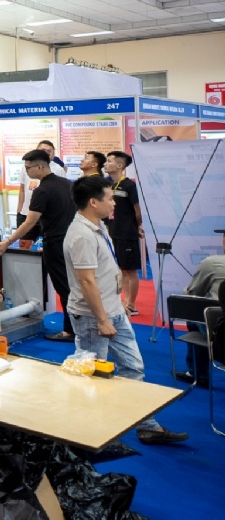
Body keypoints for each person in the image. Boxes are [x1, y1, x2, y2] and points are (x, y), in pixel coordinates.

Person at [63, 176, 187, 445]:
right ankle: (87, 431)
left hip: (111, 310)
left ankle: (144, 424)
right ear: (93, 202)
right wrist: (102, 319)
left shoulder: (98, 226)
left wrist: (117, 302)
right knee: (92, 374)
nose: (114, 203)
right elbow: (86, 281)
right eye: (109, 199)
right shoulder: (82, 235)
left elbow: (105, 273)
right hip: (92, 317)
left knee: (133, 366)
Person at [0, 150, 77, 342]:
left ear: (40, 167)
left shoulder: (42, 191)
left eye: (28, 168)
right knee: (73, 285)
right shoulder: (67, 184)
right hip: (72, 241)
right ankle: (79, 327)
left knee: (63, 287)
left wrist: (7, 242)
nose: (26, 172)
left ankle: (71, 330)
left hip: (55, 243)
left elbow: (30, 222)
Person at [177, 244, 225, 387]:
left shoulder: (212, 263)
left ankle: (198, 373)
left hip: (221, 331)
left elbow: (193, 293)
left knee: (195, 319)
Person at [105, 151, 143, 316]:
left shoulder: (129, 186)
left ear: (120, 165)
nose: (106, 164)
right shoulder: (107, 185)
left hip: (127, 233)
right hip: (111, 232)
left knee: (130, 270)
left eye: (109, 161)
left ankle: (131, 304)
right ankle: (124, 302)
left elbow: (138, 211)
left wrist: (135, 226)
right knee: (120, 269)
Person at [13, 140, 65, 240]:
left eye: (49, 151)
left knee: (45, 245)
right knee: (25, 245)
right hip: (26, 214)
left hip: (47, 217)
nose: (45, 153)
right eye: (42, 150)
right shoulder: (27, 167)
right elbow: (22, 189)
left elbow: (61, 193)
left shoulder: (58, 170)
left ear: (53, 154)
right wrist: (19, 211)